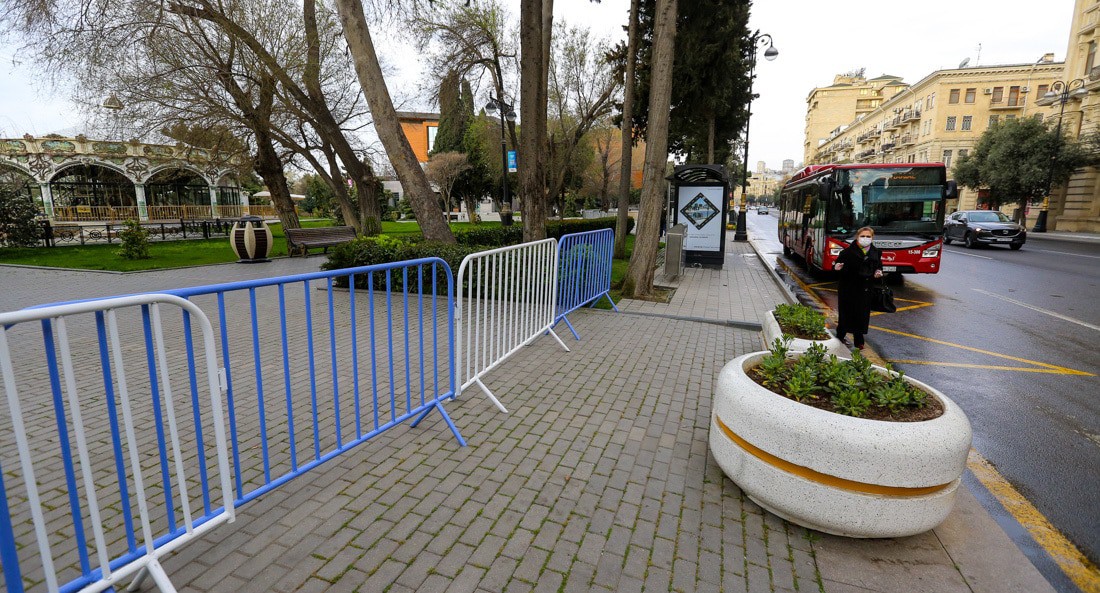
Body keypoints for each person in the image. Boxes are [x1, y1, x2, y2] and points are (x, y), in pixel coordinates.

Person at [832, 226, 883, 349]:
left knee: (862, 314)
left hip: (865, 289)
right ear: (857, 237)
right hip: (848, 288)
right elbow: (837, 267)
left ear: (872, 238)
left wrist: (878, 272)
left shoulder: (876, 252)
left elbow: (879, 266)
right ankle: (840, 335)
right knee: (846, 313)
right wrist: (836, 268)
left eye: (868, 236)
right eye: (863, 236)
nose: (865, 238)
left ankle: (859, 341)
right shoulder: (847, 252)